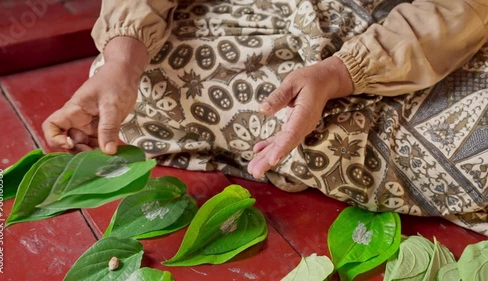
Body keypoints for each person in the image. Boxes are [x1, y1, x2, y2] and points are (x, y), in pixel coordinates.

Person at [42, 0, 488, 234]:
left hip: (426, 29)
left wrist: (342, 72)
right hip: (262, 14)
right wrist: (124, 59)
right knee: (130, 82)